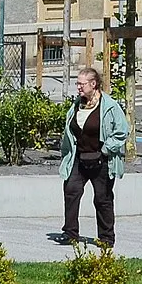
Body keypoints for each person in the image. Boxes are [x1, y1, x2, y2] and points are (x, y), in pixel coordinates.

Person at [56, 66, 127, 248]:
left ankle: (106, 238)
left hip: (102, 160)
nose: (78, 87)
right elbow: (70, 132)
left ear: (93, 84)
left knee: (102, 199)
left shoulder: (110, 106)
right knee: (71, 192)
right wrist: (66, 154)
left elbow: (121, 132)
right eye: (77, 83)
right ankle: (70, 233)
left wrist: (105, 150)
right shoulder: (76, 105)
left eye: (82, 84)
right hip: (78, 158)